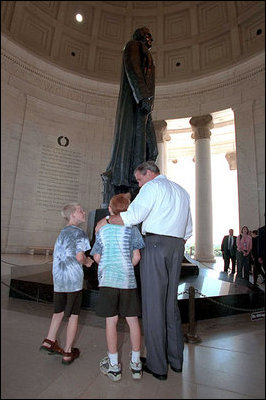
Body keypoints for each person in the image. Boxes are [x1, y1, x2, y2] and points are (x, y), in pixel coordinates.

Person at [96, 161, 193, 381]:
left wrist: (107, 220)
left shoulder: (152, 187)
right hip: (177, 246)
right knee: (170, 304)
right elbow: (188, 229)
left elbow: (132, 216)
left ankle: (158, 366)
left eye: (139, 180)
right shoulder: (182, 191)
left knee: (153, 306)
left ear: (148, 173)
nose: (139, 185)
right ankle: (175, 360)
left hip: (156, 245)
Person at [101, 26, 158, 207]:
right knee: (136, 145)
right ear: (140, 36)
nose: (151, 39)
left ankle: (139, 181)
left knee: (152, 149)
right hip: (137, 103)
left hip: (144, 107)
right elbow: (133, 68)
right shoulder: (133, 46)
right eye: (148, 35)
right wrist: (142, 97)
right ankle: (133, 182)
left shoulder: (146, 53)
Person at [91, 193, 145, 382]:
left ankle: (114, 366)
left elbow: (97, 257)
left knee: (111, 322)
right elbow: (136, 256)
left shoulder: (102, 230)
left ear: (111, 210)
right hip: (127, 281)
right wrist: (126, 266)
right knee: (132, 321)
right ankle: (136, 364)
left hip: (108, 281)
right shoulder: (132, 228)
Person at [40, 203, 94, 365]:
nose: (83, 212)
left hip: (59, 277)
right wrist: (88, 262)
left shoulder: (62, 232)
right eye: (80, 211)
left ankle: (49, 340)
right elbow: (79, 257)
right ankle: (68, 351)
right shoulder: (80, 233)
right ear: (72, 215)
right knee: (73, 315)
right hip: (72, 279)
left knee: (58, 311)